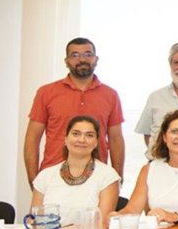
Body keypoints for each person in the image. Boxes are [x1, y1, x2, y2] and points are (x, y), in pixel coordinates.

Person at [23, 37, 124, 188]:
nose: (82, 59)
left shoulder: (110, 95)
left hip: (96, 178)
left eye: (88, 54)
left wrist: (117, 180)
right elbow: (32, 139)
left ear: (96, 59)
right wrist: (34, 181)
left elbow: (116, 140)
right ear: (66, 61)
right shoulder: (46, 92)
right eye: (75, 55)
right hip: (53, 175)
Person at [119, 110, 178, 224]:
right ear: (164, 137)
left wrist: (174, 217)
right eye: (175, 132)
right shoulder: (148, 169)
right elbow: (131, 210)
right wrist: (115, 216)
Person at [30, 114, 121, 223]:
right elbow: (33, 222)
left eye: (89, 135)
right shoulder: (45, 176)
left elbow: (101, 224)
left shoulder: (108, 176)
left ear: (96, 143)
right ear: (65, 139)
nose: (82, 140)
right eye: (76, 134)